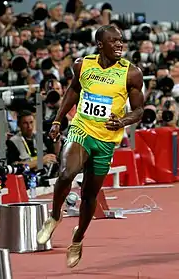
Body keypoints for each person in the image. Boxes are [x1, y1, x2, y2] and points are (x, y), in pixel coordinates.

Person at [37, 25, 144, 268]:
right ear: (100, 44)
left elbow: (139, 110)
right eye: (113, 41)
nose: (120, 45)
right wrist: (57, 119)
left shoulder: (131, 73)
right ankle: (54, 216)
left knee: (89, 195)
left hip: (106, 139)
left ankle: (78, 238)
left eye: (121, 41)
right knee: (66, 173)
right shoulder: (82, 65)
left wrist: (124, 120)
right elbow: (73, 90)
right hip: (81, 129)